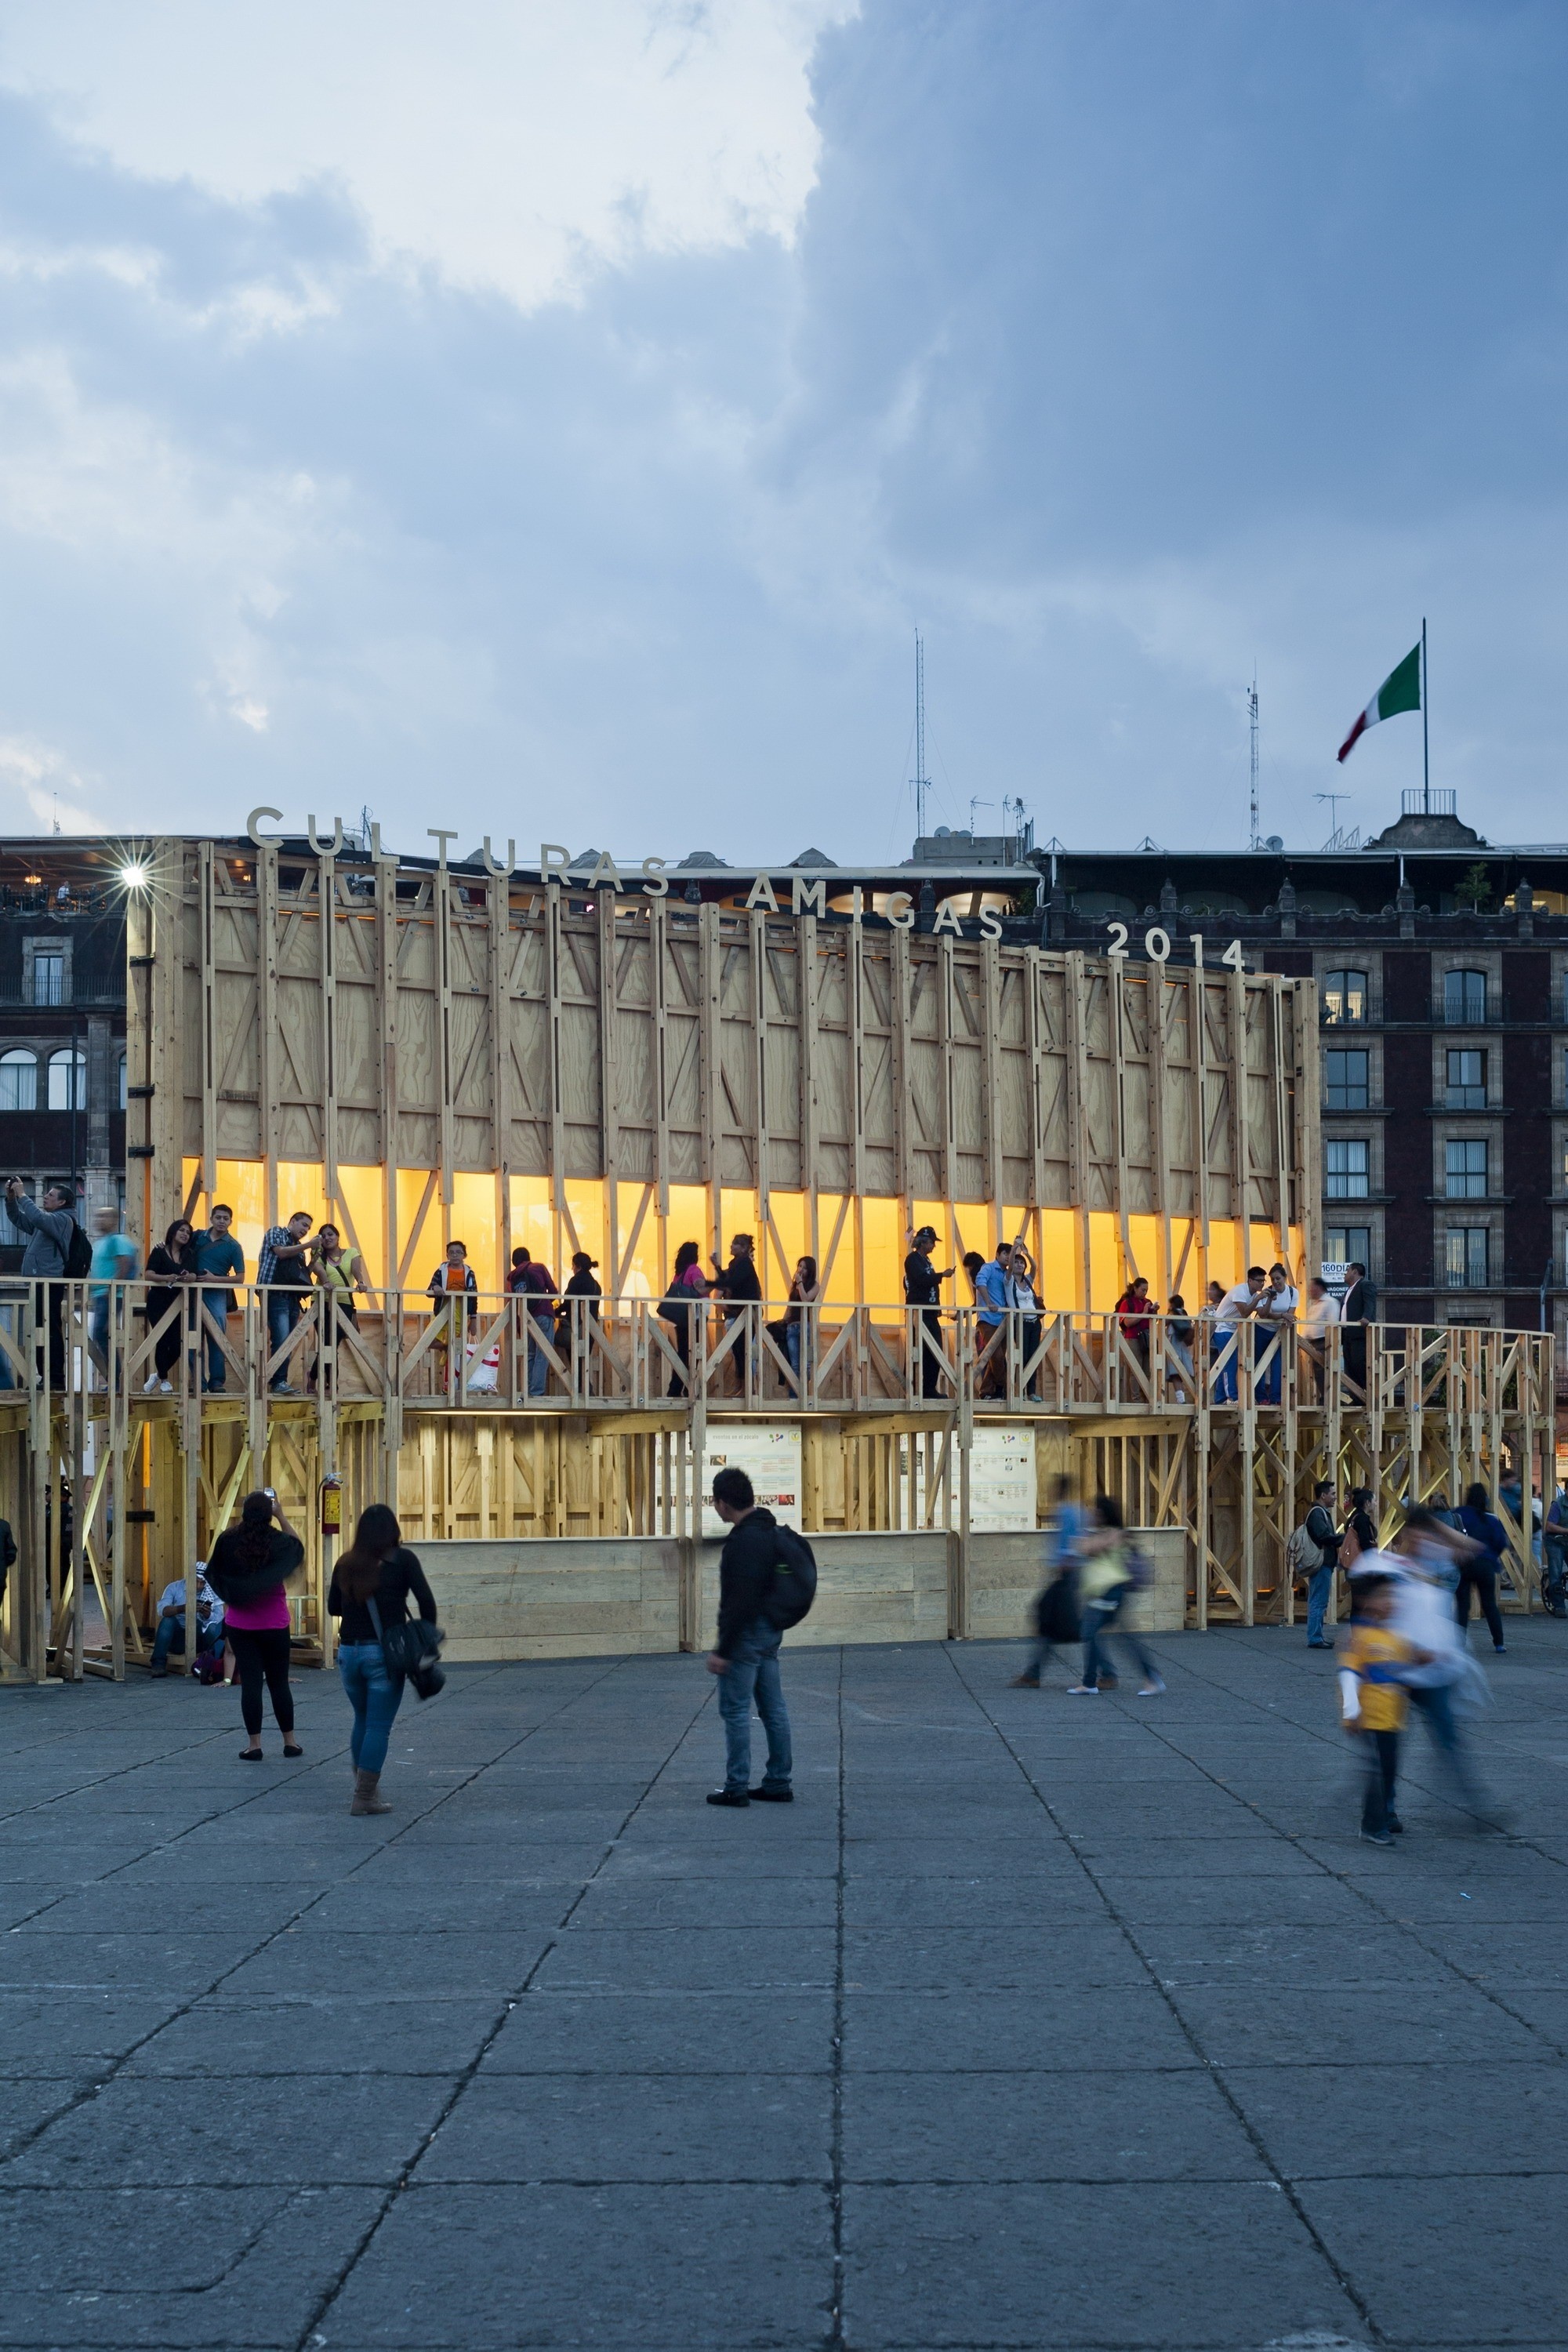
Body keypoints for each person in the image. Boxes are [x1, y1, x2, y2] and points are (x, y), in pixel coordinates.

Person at [328, 1503, 437, 1815]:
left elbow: (334, 1608)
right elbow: (427, 1603)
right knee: (378, 1726)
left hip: (349, 1653)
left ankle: (366, 1792)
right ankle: (364, 1797)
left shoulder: (345, 1563)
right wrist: (423, 1638)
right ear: (393, 1531)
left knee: (362, 1720)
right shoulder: (403, 1560)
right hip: (383, 1655)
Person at [705, 1465, 793, 1806]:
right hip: (771, 1632)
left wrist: (722, 1650)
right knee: (774, 1709)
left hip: (745, 1636)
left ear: (723, 1503)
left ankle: (736, 1785)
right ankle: (778, 1781)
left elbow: (738, 1603)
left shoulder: (744, 1542)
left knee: (737, 1710)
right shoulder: (766, 1528)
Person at [205, 1491, 304, 1760]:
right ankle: (290, 1742)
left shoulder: (229, 1540)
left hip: (241, 1623)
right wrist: (281, 1516)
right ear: (269, 1512)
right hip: (274, 1622)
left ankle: (255, 1745)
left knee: (251, 1683)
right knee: (279, 1683)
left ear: (244, 1512)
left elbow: (214, 1572)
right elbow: (297, 1548)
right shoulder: (277, 1542)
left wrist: (234, 1595)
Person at [1338, 1571, 1429, 1845]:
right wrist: (1351, 1711)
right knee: (1377, 1771)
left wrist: (1425, 1659)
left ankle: (1382, 1815)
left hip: (1392, 1720)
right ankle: (1372, 1825)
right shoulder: (1361, 1637)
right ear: (1367, 1601)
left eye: (1395, 1596)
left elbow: (1406, 1665)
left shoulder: (1396, 1637)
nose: (1392, 1602)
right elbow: (1349, 1674)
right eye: (1386, 1596)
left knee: (1388, 1770)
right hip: (1371, 1719)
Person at [1066, 1494, 1165, 1697]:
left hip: (1108, 1591)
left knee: (1089, 1632)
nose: (1092, 1514)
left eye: (1095, 1511)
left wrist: (1083, 1539)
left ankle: (1090, 1683)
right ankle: (1148, 1677)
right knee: (1116, 1636)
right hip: (1107, 1592)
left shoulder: (1114, 1534)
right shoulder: (1108, 1533)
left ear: (1103, 1513)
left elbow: (1086, 1548)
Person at [1013, 1476, 1087, 1687]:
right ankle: (1033, 1673)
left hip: (1066, 1574)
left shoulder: (1067, 1512)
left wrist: (1064, 1563)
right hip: (1067, 1573)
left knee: (1053, 1620)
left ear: (1059, 1490)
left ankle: (1033, 1673)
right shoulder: (1073, 1511)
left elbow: (1070, 1542)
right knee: (1052, 1622)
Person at [5, 1177, 74, 1388]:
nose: (45, 1197)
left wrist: (23, 1195)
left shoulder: (62, 1220)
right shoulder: (48, 1220)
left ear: (61, 1202)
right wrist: (11, 1199)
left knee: (50, 1329)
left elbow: (38, 1218)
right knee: (39, 1330)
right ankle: (45, 1376)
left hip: (50, 1282)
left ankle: (55, 1379)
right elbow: (19, 1219)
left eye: (51, 1195)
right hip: (39, 1281)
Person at [258, 1211, 314, 1392]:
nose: (306, 1230)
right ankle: (277, 1381)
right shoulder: (277, 1232)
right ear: (292, 1221)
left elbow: (302, 1275)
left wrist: (315, 1258)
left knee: (289, 1341)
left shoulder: (299, 1248)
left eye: (309, 1228)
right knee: (281, 1339)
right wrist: (308, 1245)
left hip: (292, 1297)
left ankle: (279, 1381)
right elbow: (281, 1253)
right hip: (274, 1294)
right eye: (304, 1225)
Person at [194, 1203, 245, 1393]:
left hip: (216, 1293)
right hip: (193, 1291)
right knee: (192, 1337)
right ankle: (197, 1382)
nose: (222, 1221)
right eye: (218, 1217)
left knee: (216, 1337)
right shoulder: (197, 1237)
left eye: (226, 1218)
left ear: (231, 1221)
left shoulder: (233, 1246)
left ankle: (217, 1382)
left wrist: (215, 1279)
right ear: (211, 1219)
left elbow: (240, 1278)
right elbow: (176, 1245)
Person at [144, 1219, 198, 1393]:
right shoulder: (159, 1251)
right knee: (162, 1339)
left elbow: (193, 1273)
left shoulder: (189, 1254)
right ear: (173, 1232)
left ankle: (158, 1375)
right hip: (158, 1300)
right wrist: (166, 1277)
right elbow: (148, 1274)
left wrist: (191, 1277)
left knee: (176, 1344)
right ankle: (165, 1380)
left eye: (188, 1232)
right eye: (182, 1230)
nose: (185, 1234)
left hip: (178, 1302)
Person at [1454, 1482, 1509, 1653]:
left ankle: (1459, 1643)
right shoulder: (1492, 1519)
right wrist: (1492, 1556)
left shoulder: (1458, 1514)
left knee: (1463, 1605)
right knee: (1489, 1604)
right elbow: (1501, 1543)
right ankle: (1499, 1643)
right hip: (1486, 1565)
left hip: (1464, 1564)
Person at [87, 1205, 139, 1382]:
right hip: (100, 1295)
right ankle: (114, 1378)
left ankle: (116, 1379)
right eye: (98, 1216)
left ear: (115, 1220)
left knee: (102, 1334)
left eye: (105, 1217)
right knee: (101, 1335)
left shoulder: (118, 1240)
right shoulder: (100, 1243)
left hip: (110, 1295)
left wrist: (112, 1289)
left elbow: (125, 1264)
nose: (100, 1220)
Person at [904, 1225, 953, 1398]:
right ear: (923, 1242)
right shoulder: (912, 1260)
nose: (934, 1246)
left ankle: (929, 1389)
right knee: (917, 1351)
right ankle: (913, 1389)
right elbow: (921, 1280)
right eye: (932, 1242)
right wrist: (942, 1276)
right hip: (919, 1314)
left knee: (935, 1351)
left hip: (930, 1313)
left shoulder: (926, 1261)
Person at [710, 1234, 761, 1396]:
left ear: (744, 1248)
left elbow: (731, 1282)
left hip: (745, 1313)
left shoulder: (745, 1263)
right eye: (732, 1243)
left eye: (735, 1244)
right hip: (740, 1313)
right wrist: (717, 1267)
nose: (731, 1246)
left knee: (744, 1351)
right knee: (739, 1352)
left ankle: (748, 1388)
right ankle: (744, 1386)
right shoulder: (737, 1264)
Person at [149, 1568, 224, 1676]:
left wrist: (207, 1614)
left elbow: (219, 1619)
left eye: (202, 1583)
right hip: (177, 1637)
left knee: (212, 1626)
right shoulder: (174, 1587)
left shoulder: (212, 1590)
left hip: (199, 1638)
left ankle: (216, 1663)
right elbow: (162, 1610)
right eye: (196, 1581)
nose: (198, 1586)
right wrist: (183, 1608)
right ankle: (158, 1664)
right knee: (168, 1621)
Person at [659, 1240, 709, 1397]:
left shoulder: (679, 1273)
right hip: (695, 1317)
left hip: (681, 1318)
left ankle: (676, 1388)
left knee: (683, 1352)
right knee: (695, 1353)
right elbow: (702, 1289)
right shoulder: (694, 1270)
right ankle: (689, 1389)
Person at [1211, 1267, 1266, 1403]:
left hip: (1233, 1331)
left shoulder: (1254, 1295)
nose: (1262, 1284)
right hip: (1222, 1329)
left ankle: (1220, 1399)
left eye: (1263, 1281)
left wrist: (1269, 1300)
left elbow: (1263, 1313)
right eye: (1259, 1281)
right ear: (1250, 1280)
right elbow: (1245, 1313)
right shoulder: (1240, 1291)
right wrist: (1258, 1298)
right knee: (1230, 1362)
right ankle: (1231, 1396)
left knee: (1225, 1364)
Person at [506, 1245, 554, 1396]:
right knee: (543, 1354)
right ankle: (536, 1392)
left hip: (525, 1318)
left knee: (530, 1354)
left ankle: (527, 1390)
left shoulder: (512, 1277)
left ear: (514, 1261)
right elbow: (553, 1291)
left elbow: (512, 1301)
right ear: (528, 1256)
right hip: (543, 1314)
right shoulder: (538, 1268)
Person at [1301, 1478, 1341, 1649]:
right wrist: (1343, 1538)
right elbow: (1323, 1536)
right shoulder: (1318, 1513)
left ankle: (1317, 1636)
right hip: (1321, 1563)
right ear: (1323, 1495)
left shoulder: (1320, 1512)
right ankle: (1315, 1638)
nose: (1335, 1498)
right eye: (1332, 1494)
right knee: (1319, 1601)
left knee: (1318, 1600)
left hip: (1323, 1563)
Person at [1256, 1263, 1297, 1403]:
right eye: (1272, 1279)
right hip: (1262, 1330)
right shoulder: (1267, 1292)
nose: (1275, 1282)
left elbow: (1290, 1314)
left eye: (1278, 1278)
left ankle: (1276, 1397)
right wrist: (1279, 1312)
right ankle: (1260, 1397)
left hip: (1279, 1332)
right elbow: (1266, 1314)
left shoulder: (1293, 1292)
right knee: (1259, 1362)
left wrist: (1283, 1316)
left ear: (1285, 1278)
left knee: (1278, 1364)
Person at [780, 1254, 818, 1390]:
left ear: (810, 1271)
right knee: (795, 1363)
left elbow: (806, 1300)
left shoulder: (814, 1285)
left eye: (805, 1268)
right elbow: (790, 1305)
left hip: (805, 1326)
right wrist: (784, 1321)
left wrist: (800, 1283)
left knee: (807, 1363)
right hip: (792, 1326)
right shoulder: (794, 1285)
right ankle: (794, 1395)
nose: (801, 1269)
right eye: (800, 1266)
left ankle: (807, 1393)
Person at [1340, 1260, 1377, 1396]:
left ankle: (1368, 1395)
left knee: (1359, 1364)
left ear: (1355, 1272)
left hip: (1359, 1334)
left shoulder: (1365, 1285)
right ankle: (1356, 1397)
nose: (1345, 1273)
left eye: (1347, 1270)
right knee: (1349, 1367)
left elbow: (1370, 1302)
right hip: (1347, 1334)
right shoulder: (1348, 1290)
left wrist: (1367, 1317)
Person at [1301, 1276, 1339, 1400]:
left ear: (1319, 1287)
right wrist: (1302, 1340)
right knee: (1318, 1372)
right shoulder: (1314, 1306)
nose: (1310, 1290)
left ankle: (1330, 1398)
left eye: (1312, 1287)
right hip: (1314, 1343)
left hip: (1324, 1342)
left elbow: (1333, 1323)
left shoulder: (1330, 1303)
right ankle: (1324, 1397)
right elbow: (1310, 1326)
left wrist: (1330, 1343)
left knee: (1324, 1371)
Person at [1113, 1276, 1156, 1370]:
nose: (1145, 1293)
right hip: (1133, 1338)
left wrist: (1153, 1312)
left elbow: (1152, 1321)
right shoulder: (1127, 1303)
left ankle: (1147, 1386)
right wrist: (1143, 1314)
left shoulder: (1147, 1302)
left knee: (1148, 1370)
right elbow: (1127, 1322)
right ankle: (1134, 1386)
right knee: (1136, 1371)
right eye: (1143, 1290)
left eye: (1146, 1291)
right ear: (1135, 1288)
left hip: (1147, 1337)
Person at [1163, 1293, 1195, 1387]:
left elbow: (1164, 1323)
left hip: (1174, 1342)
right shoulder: (1184, 1313)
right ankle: (1193, 1394)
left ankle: (1180, 1399)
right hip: (1185, 1343)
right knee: (1187, 1371)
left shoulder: (1172, 1313)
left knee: (1175, 1372)